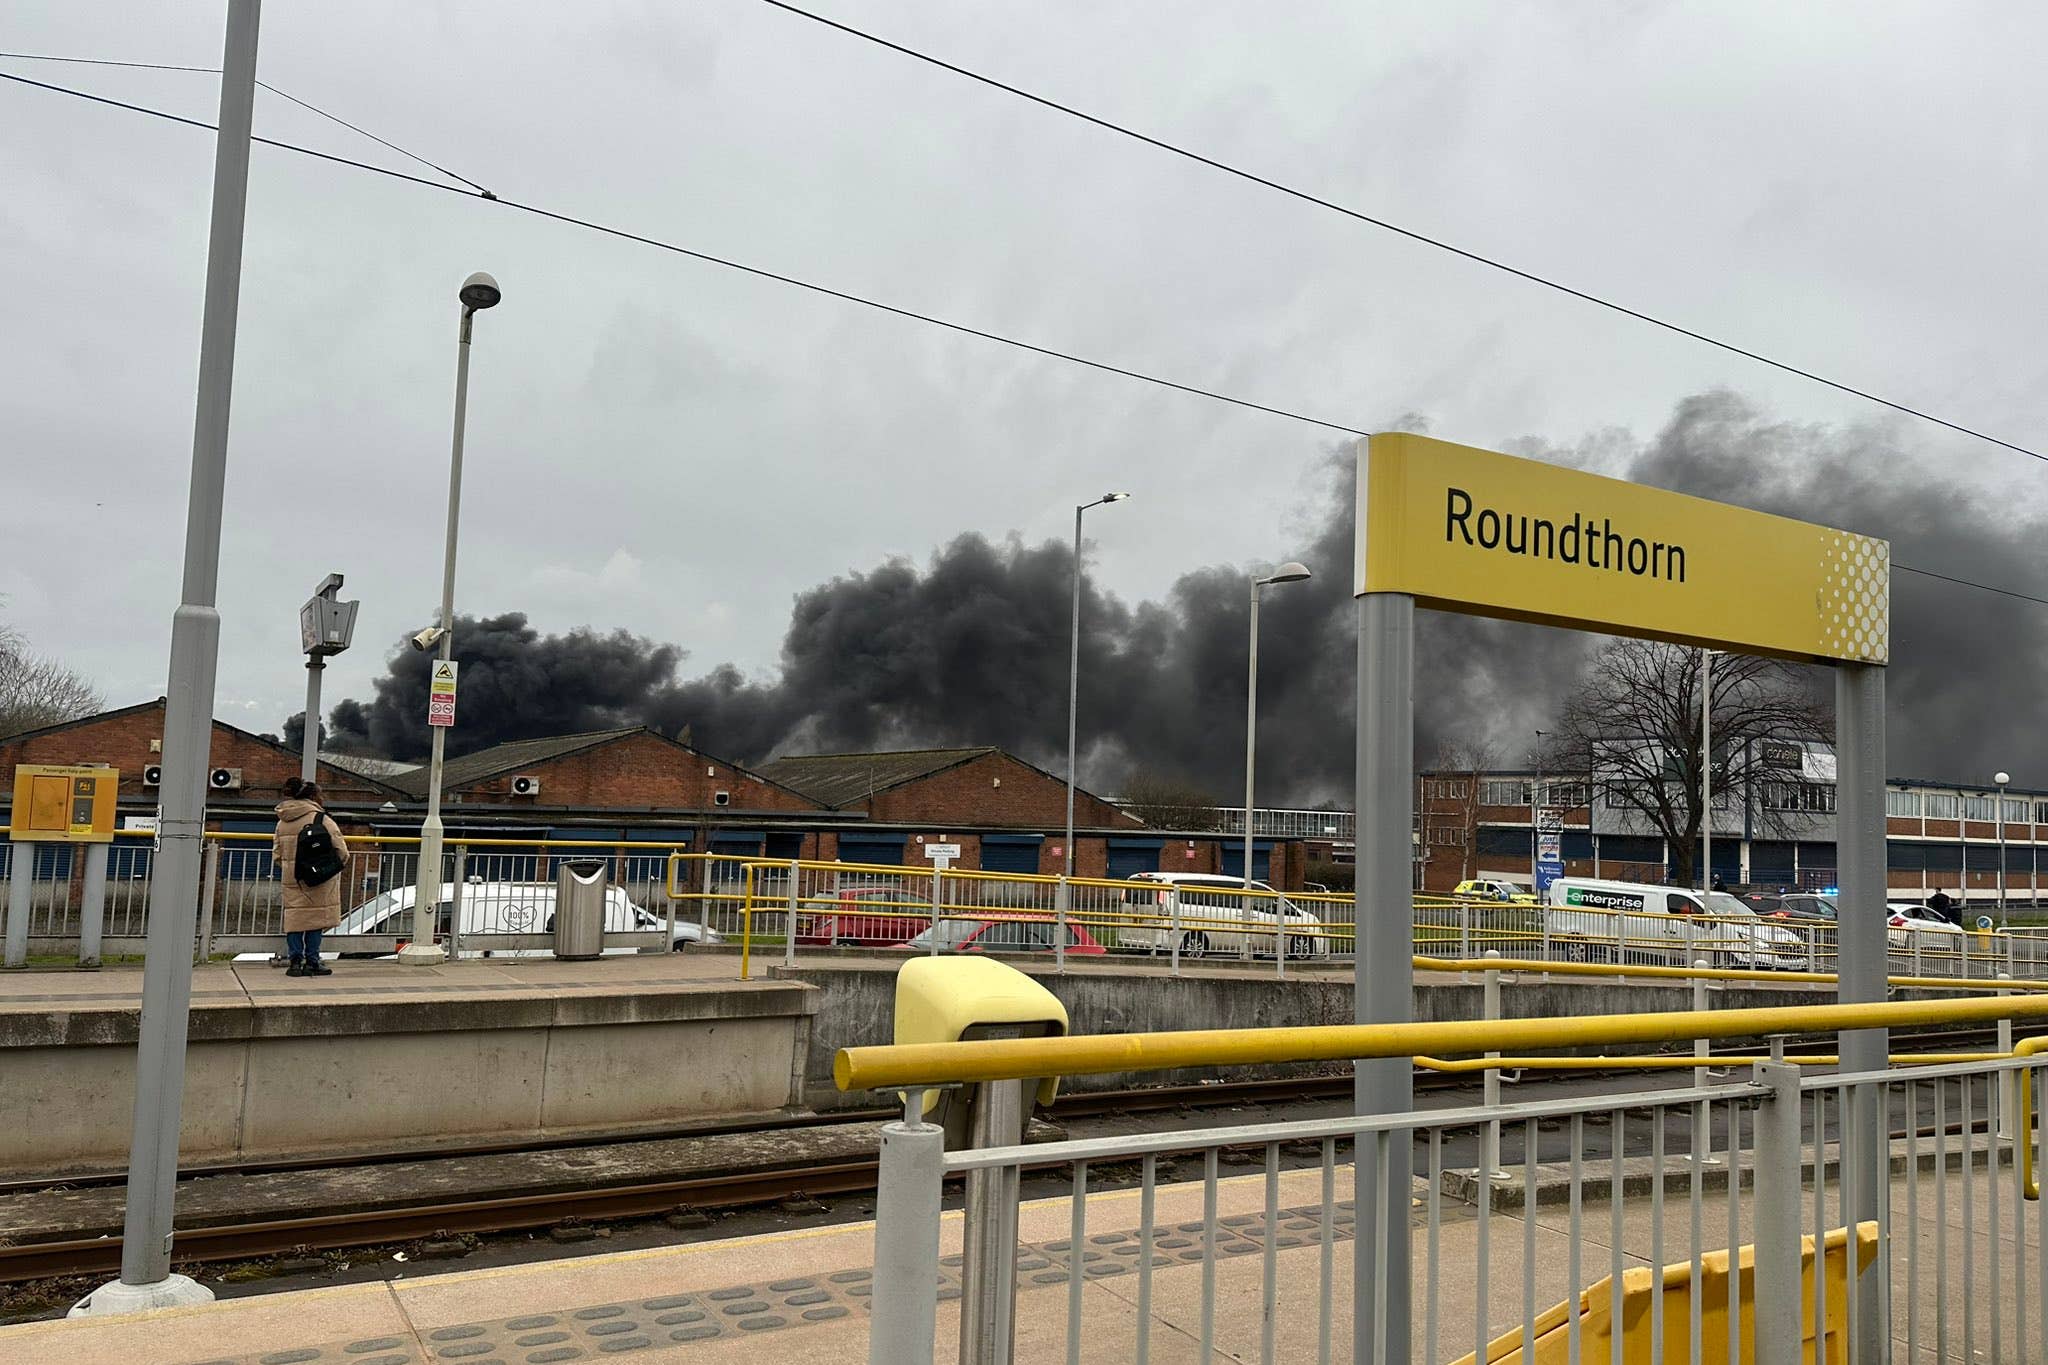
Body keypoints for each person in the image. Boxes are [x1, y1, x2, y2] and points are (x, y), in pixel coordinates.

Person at [273, 776, 348, 977]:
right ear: (313, 796)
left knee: (295, 919)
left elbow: (277, 854)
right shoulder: (322, 819)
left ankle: (295, 961)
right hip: (319, 878)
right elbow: (342, 851)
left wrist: (290, 867)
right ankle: (313, 961)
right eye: (320, 794)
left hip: (292, 878)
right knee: (316, 919)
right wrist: (328, 869)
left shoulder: (282, 822)